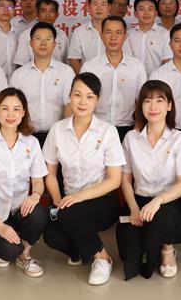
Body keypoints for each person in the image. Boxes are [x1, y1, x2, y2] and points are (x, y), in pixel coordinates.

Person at [42, 73, 124, 286]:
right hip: (68, 201)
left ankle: (102, 258)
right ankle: (80, 251)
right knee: (51, 235)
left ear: (97, 100)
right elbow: (50, 172)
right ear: (69, 96)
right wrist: (57, 199)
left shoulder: (108, 132)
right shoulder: (57, 130)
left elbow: (115, 180)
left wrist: (80, 197)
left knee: (70, 212)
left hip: (102, 201)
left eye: (89, 96)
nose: (82, 101)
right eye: (77, 95)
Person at [117, 80, 181, 280]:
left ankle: (167, 249)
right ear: (140, 106)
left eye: (159, 100)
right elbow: (126, 179)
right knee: (128, 257)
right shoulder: (131, 138)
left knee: (158, 224)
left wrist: (158, 200)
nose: (153, 106)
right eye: (147, 101)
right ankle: (149, 243)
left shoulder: (179, 139)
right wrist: (134, 208)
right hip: (139, 200)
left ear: (169, 106)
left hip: (168, 202)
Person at [0, 88, 49, 277]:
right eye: (5, 108)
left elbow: (38, 181)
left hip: (18, 208)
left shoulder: (32, 143)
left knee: (39, 214)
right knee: (8, 252)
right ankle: (5, 247)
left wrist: (35, 195)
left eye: (16, 109)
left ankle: (25, 255)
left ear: (23, 113)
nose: (11, 115)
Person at [81, 16, 147, 142]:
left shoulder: (137, 66)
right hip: (96, 128)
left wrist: (137, 131)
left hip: (127, 129)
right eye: (108, 32)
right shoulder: (89, 66)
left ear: (125, 36)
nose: (113, 37)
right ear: (101, 35)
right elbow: (83, 101)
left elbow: (142, 101)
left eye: (118, 33)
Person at [9, 22, 75, 146]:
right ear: (31, 43)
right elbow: (13, 107)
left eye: (48, 39)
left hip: (57, 136)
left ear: (54, 44)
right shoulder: (19, 75)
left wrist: (65, 136)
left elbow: (69, 105)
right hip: (26, 136)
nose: (43, 43)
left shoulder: (66, 72)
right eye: (38, 39)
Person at [13, 0, 68, 67]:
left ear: (57, 15)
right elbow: (21, 64)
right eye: (43, 11)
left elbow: (67, 62)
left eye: (51, 11)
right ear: (37, 13)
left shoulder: (62, 35)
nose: (47, 15)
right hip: (32, 73)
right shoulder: (26, 35)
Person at [67, 0, 112, 73]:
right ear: (89, 7)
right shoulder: (79, 32)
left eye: (103, 4)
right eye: (95, 4)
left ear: (109, 7)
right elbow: (74, 59)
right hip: (87, 78)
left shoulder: (117, 31)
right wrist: (85, 78)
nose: (99, 8)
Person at [127, 0, 172, 75]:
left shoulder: (165, 34)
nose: (146, 13)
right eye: (141, 9)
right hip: (132, 80)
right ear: (135, 13)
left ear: (156, 13)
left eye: (150, 9)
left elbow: (167, 62)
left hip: (157, 80)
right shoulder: (128, 35)